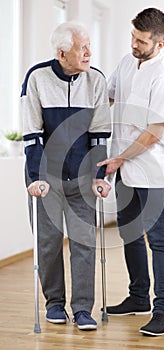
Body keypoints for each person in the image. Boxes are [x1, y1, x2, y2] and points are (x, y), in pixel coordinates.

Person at [21, 21, 111, 331]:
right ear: (62, 53)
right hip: (46, 176)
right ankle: (54, 303)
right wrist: (35, 176)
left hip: (83, 176)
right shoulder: (37, 79)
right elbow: (32, 134)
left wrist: (101, 176)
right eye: (82, 48)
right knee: (48, 243)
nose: (89, 52)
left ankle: (83, 308)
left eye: (89, 46)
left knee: (84, 242)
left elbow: (99, 136)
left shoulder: (95, 80)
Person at [97, 8, 164, 336]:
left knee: (158, 239)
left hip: (153, 171)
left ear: (160, 44)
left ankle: (163, 311)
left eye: (142, 41)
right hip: (124, 168)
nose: (134, 44)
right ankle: (138, 297)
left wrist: (118, 159)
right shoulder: (126, 61)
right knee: (129, 233)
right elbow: (109, 97)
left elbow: (153, 134)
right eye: (133, 36)